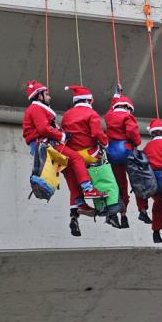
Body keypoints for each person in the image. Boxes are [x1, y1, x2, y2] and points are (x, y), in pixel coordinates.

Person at [22, 81, 107, 208]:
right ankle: (88, 189)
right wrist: (62, 136)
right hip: (46, 144)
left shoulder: (36, 109)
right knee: (76, 158)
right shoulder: (36, 108)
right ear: (39, 96)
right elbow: (43, 129)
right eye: (46, 94)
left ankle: (78, 204)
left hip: (42, 144)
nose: (49, 97)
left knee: (69, 171)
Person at [61, 85, 111, 234]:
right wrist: (106, 143)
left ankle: (74, 217)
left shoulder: (67, 115)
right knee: (104, 172)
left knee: (74, 187)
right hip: (88, 155)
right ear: (89, 100)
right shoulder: (91, 113)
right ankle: (109, 208)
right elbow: (96, 133)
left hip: (68, 155)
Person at [104, 85, 151, 229]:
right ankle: (142, 210)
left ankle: (122, 214)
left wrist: (117, 94)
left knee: (120, 185)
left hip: (112, 153)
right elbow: (132, 133)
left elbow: (112, 107)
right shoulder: (127, 116)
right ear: (128, 108)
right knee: (138, 181)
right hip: (127, 152)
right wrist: (136, 142)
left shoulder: (109, 116)